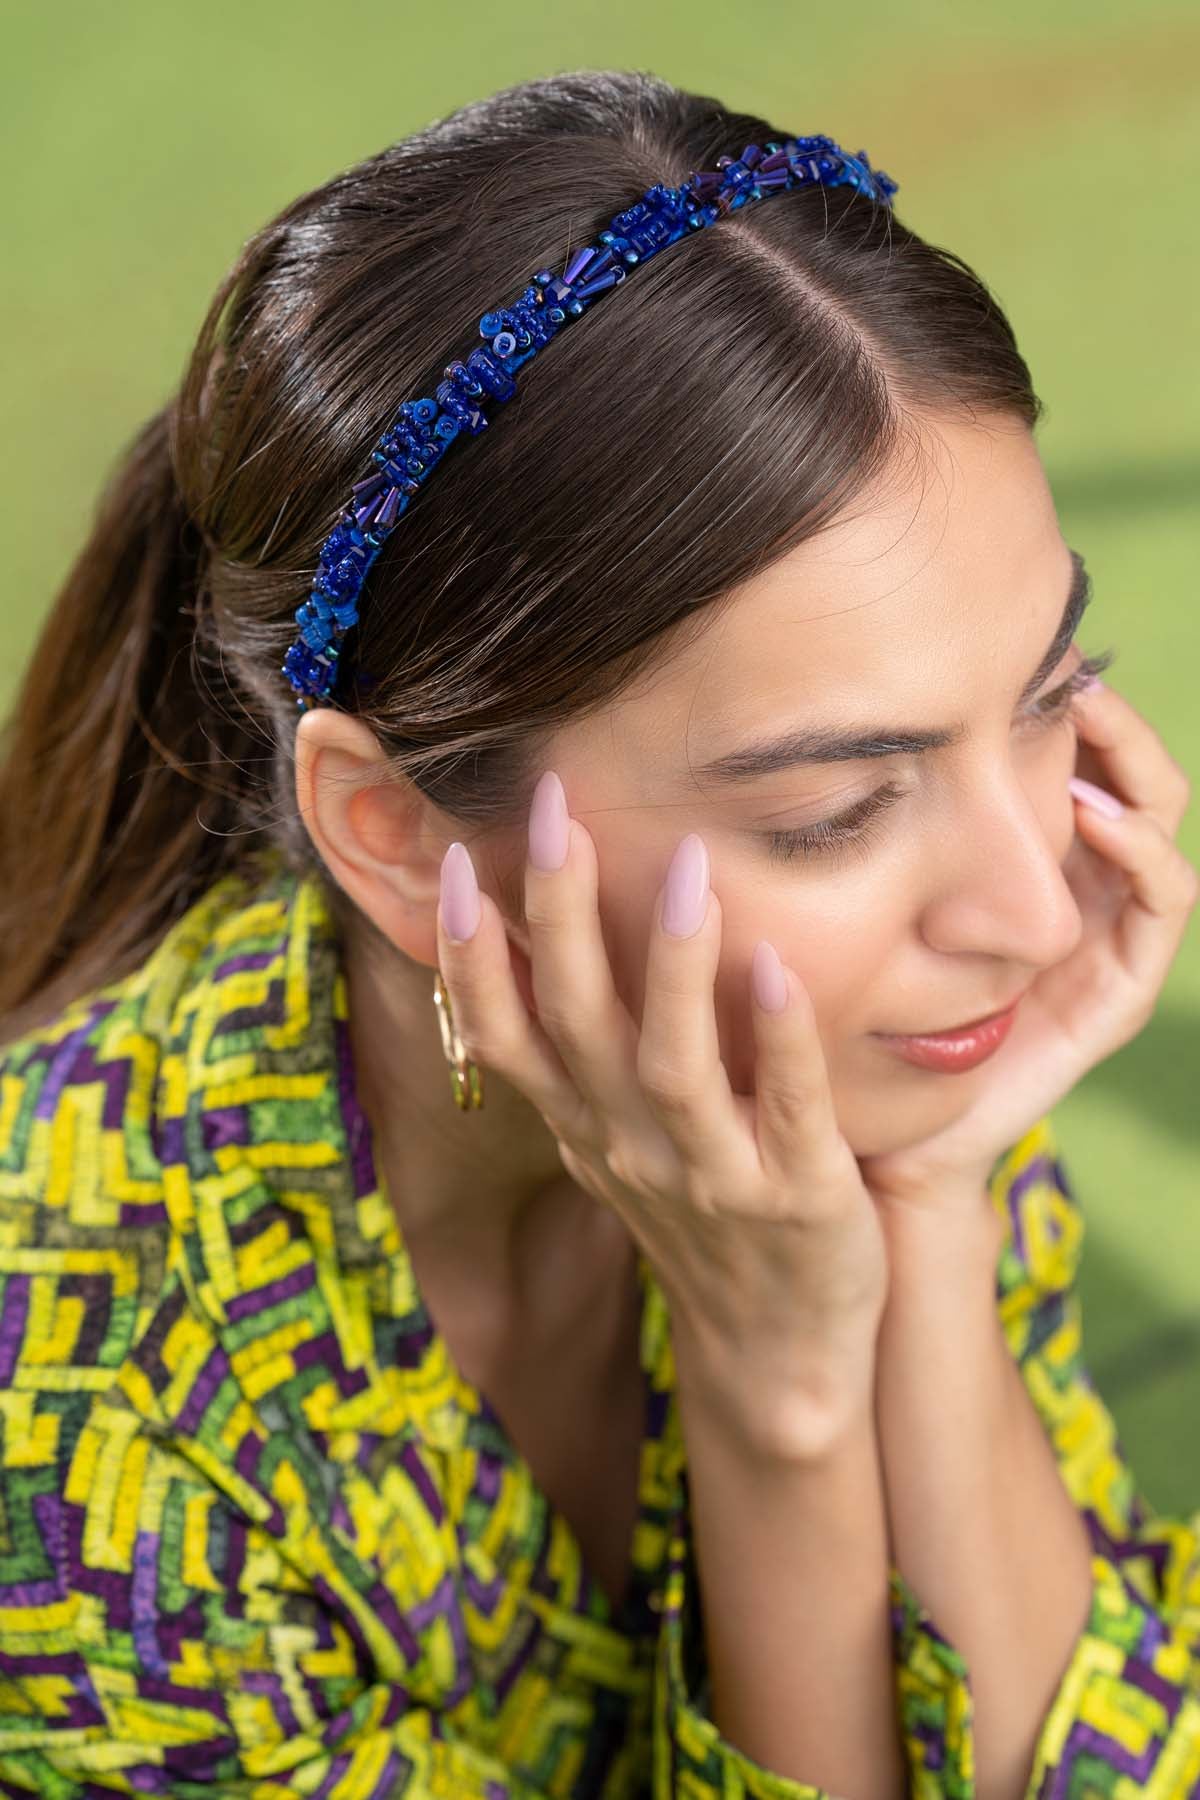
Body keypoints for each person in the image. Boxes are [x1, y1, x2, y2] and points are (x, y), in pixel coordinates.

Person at [0, 65, 1195, 1800]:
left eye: (1048, 697)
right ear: (398, 838)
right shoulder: (66, 1412)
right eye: (833, 812)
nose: (1028, 911)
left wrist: (934, 1218)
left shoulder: (859, 1076)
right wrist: (780, 1405)